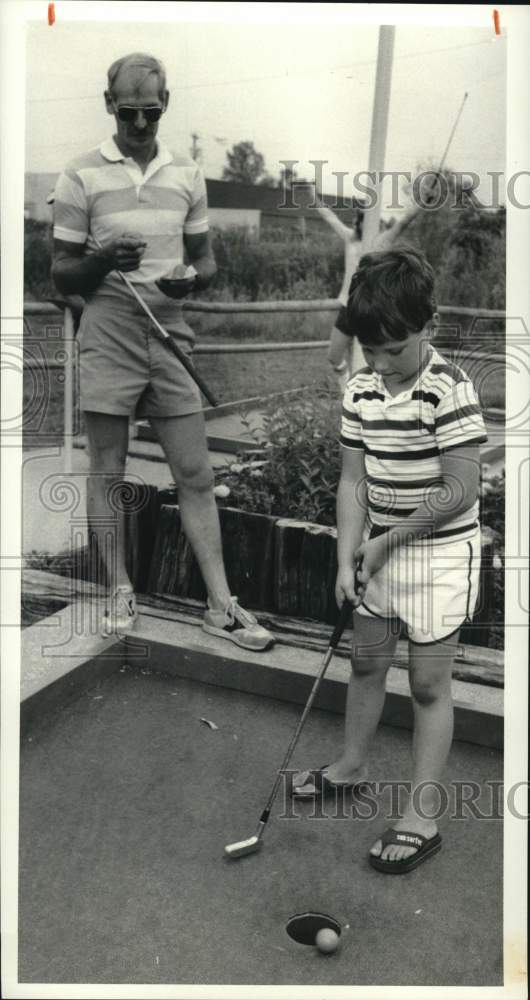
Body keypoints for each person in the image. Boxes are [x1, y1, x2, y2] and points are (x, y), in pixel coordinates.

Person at [51, 52, 273, 651]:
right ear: (109, 105)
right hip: (109, 328)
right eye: (129, 113)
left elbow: (206, 262)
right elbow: (61, 275)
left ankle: (221, 605)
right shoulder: (80, 174)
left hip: (169, 327)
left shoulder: (188, 174)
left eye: (151, 112)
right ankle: (120, 589)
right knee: (108, 470)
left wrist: (191, 281)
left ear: (166, 105)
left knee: (196, 473)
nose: (142, 126)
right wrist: (103, 261)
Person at [293, 247, 487, 873]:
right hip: (380, 550)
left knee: (429, 685)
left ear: (428, 325)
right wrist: (348, 551)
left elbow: (460, 489)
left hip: (436, 556)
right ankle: (351, 765)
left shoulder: (447, 390)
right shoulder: (361, 388)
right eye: (369, 351)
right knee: (367, 664)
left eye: (393, 351)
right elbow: (354, 480)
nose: (381, 365)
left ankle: (422, 815)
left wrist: (383, 543)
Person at [316, 186, 434, 391]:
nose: (360, 223)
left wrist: (422, 203)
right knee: (334, 357)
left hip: (373, 308)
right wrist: (312, 196)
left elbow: (404, 221)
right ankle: (348, 392)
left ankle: (376, 400)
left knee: (373, 362)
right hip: (348, 306)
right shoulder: (349, 238)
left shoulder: (382, 240)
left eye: (366, 219)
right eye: (360, 219)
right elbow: (329, 216)